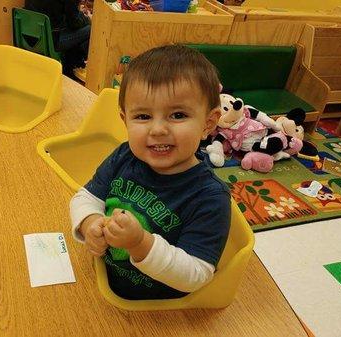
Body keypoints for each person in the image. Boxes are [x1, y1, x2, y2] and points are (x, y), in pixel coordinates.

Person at [69, 45, 231, 300]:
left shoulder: (210, 196)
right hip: (102, 285)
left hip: (154, 309)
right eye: (143, 116)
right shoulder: (125, 155)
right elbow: (86, 197)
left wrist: (140, 244)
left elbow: (197, 275)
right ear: (125, 120)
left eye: (177, 115)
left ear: (208, 123)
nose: (157, 129)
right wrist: (89, 222)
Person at [24, 0, 91, 78]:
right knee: (91, 29)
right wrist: (88, 18)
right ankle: (74, 67)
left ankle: (72, 65)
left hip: (27, 37)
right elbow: (74, 23)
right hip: (50, 41)